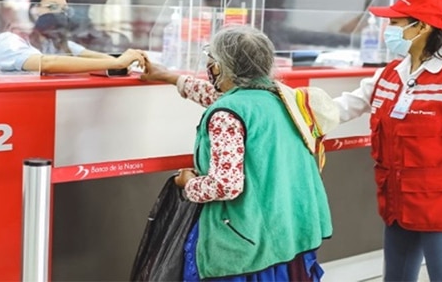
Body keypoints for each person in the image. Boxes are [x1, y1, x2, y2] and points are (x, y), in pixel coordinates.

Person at [332, 0, 442, 282]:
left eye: (395, 23)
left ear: (422, 26)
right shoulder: (390, 73)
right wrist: (292, 107)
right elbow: (346, 105)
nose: (388, 30)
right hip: (398, 205)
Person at [140, 25, 339, 281]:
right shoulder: (282, 98)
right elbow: (222, 97)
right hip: (287, 230)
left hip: (247, 241)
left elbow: (225, 185)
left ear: (219, 67)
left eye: (211, 59)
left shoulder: (226, 115)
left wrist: (188, 184)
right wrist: (169, 77)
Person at [0, 0, 144, 74]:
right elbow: (46, 63)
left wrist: (127, 62)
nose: (59, 14)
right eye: (52, 7)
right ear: (33, 10)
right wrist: (117, 63)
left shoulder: (57, 43)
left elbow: (92, 57)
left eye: (64, 10)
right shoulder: (10, 40)